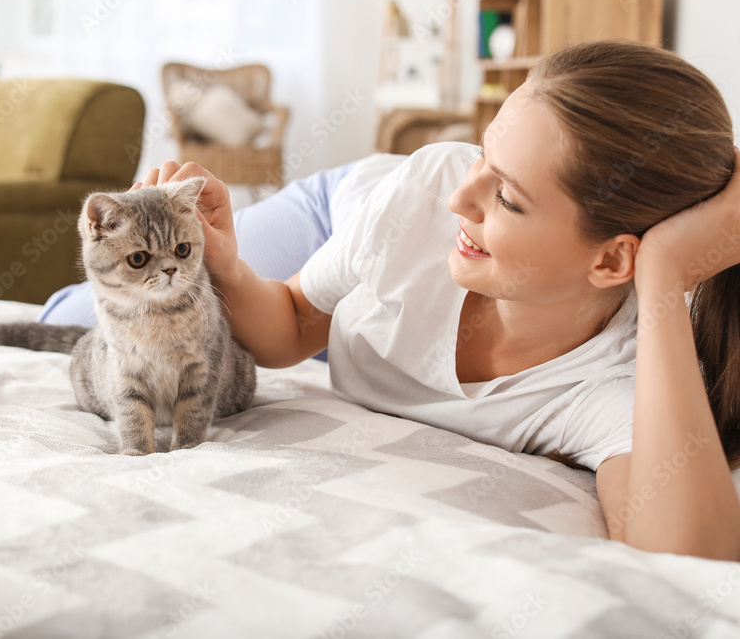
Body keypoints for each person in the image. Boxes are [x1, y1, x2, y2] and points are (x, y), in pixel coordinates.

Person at [44, 40, 740, 560]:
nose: (463, 195)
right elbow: (289, 328)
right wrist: (223, 261)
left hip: (414, 261)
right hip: (352, 217)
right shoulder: (434, 186)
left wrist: (667, 271)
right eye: (484, 156)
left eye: (507, 195)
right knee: (75, 319)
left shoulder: (609, 380)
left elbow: (689, 561)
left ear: (615, 258)